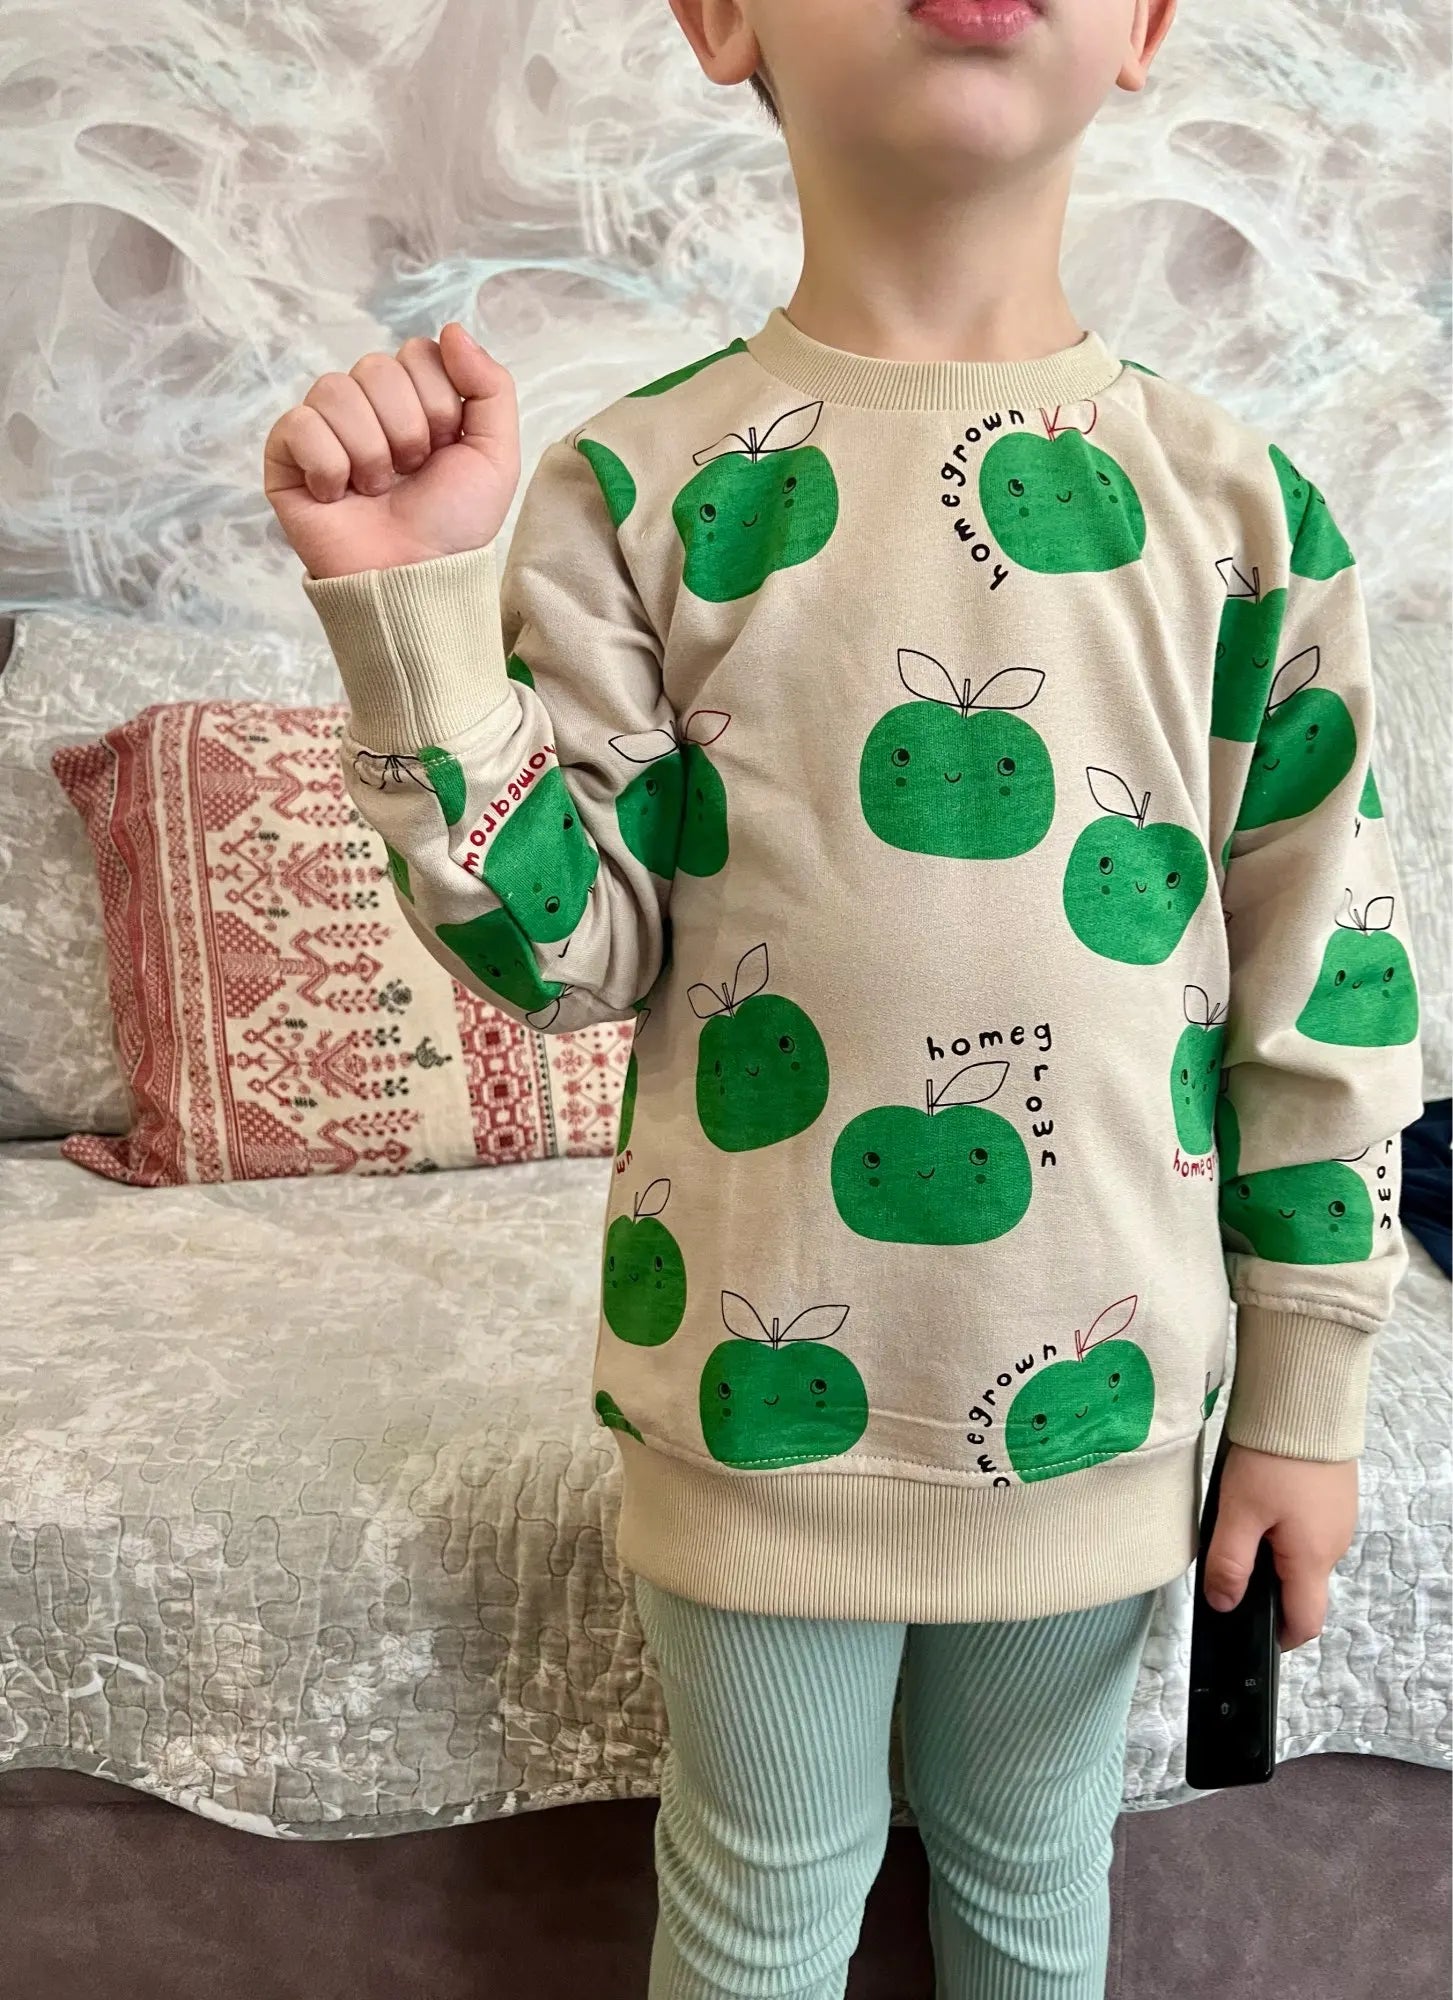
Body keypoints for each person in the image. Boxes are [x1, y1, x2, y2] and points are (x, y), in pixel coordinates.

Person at [263, 2, 1425, 1992]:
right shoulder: (635, 490)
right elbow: (568, 950)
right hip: (746, 1408)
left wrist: (1307, 1397)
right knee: (757, 1901)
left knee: (1035, 1882)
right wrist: (417, 622)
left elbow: (1323, 987)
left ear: (1146, 26)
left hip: (1101, 1407)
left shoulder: (1243, 513)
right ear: (721, 17)